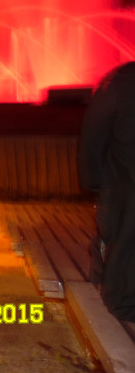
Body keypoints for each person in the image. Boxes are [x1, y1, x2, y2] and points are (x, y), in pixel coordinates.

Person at [78, 61, 135, 321]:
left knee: (118, 239)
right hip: (122, 184)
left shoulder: (121, 80)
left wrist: (93, 181)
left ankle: (113, 303)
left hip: (124, 186)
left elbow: (94, 133)